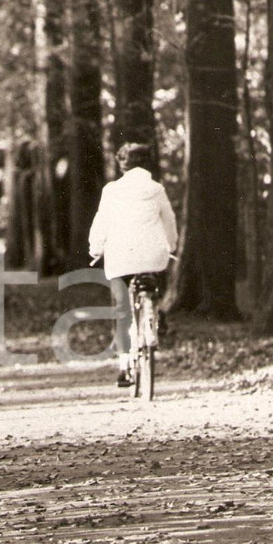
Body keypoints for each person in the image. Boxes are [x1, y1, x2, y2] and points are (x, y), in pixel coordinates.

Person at [88, 143, 178, 387]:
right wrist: (171, 246)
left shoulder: (111, 191)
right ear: (147, 163)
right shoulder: (156, 189)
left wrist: (95, 248)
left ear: (122, 165)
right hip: (152, 255)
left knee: (121, 309)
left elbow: (101, 223)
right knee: (153, 277)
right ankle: (154, 313)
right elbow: (169, 220)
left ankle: (125, 365)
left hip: (120, 257)